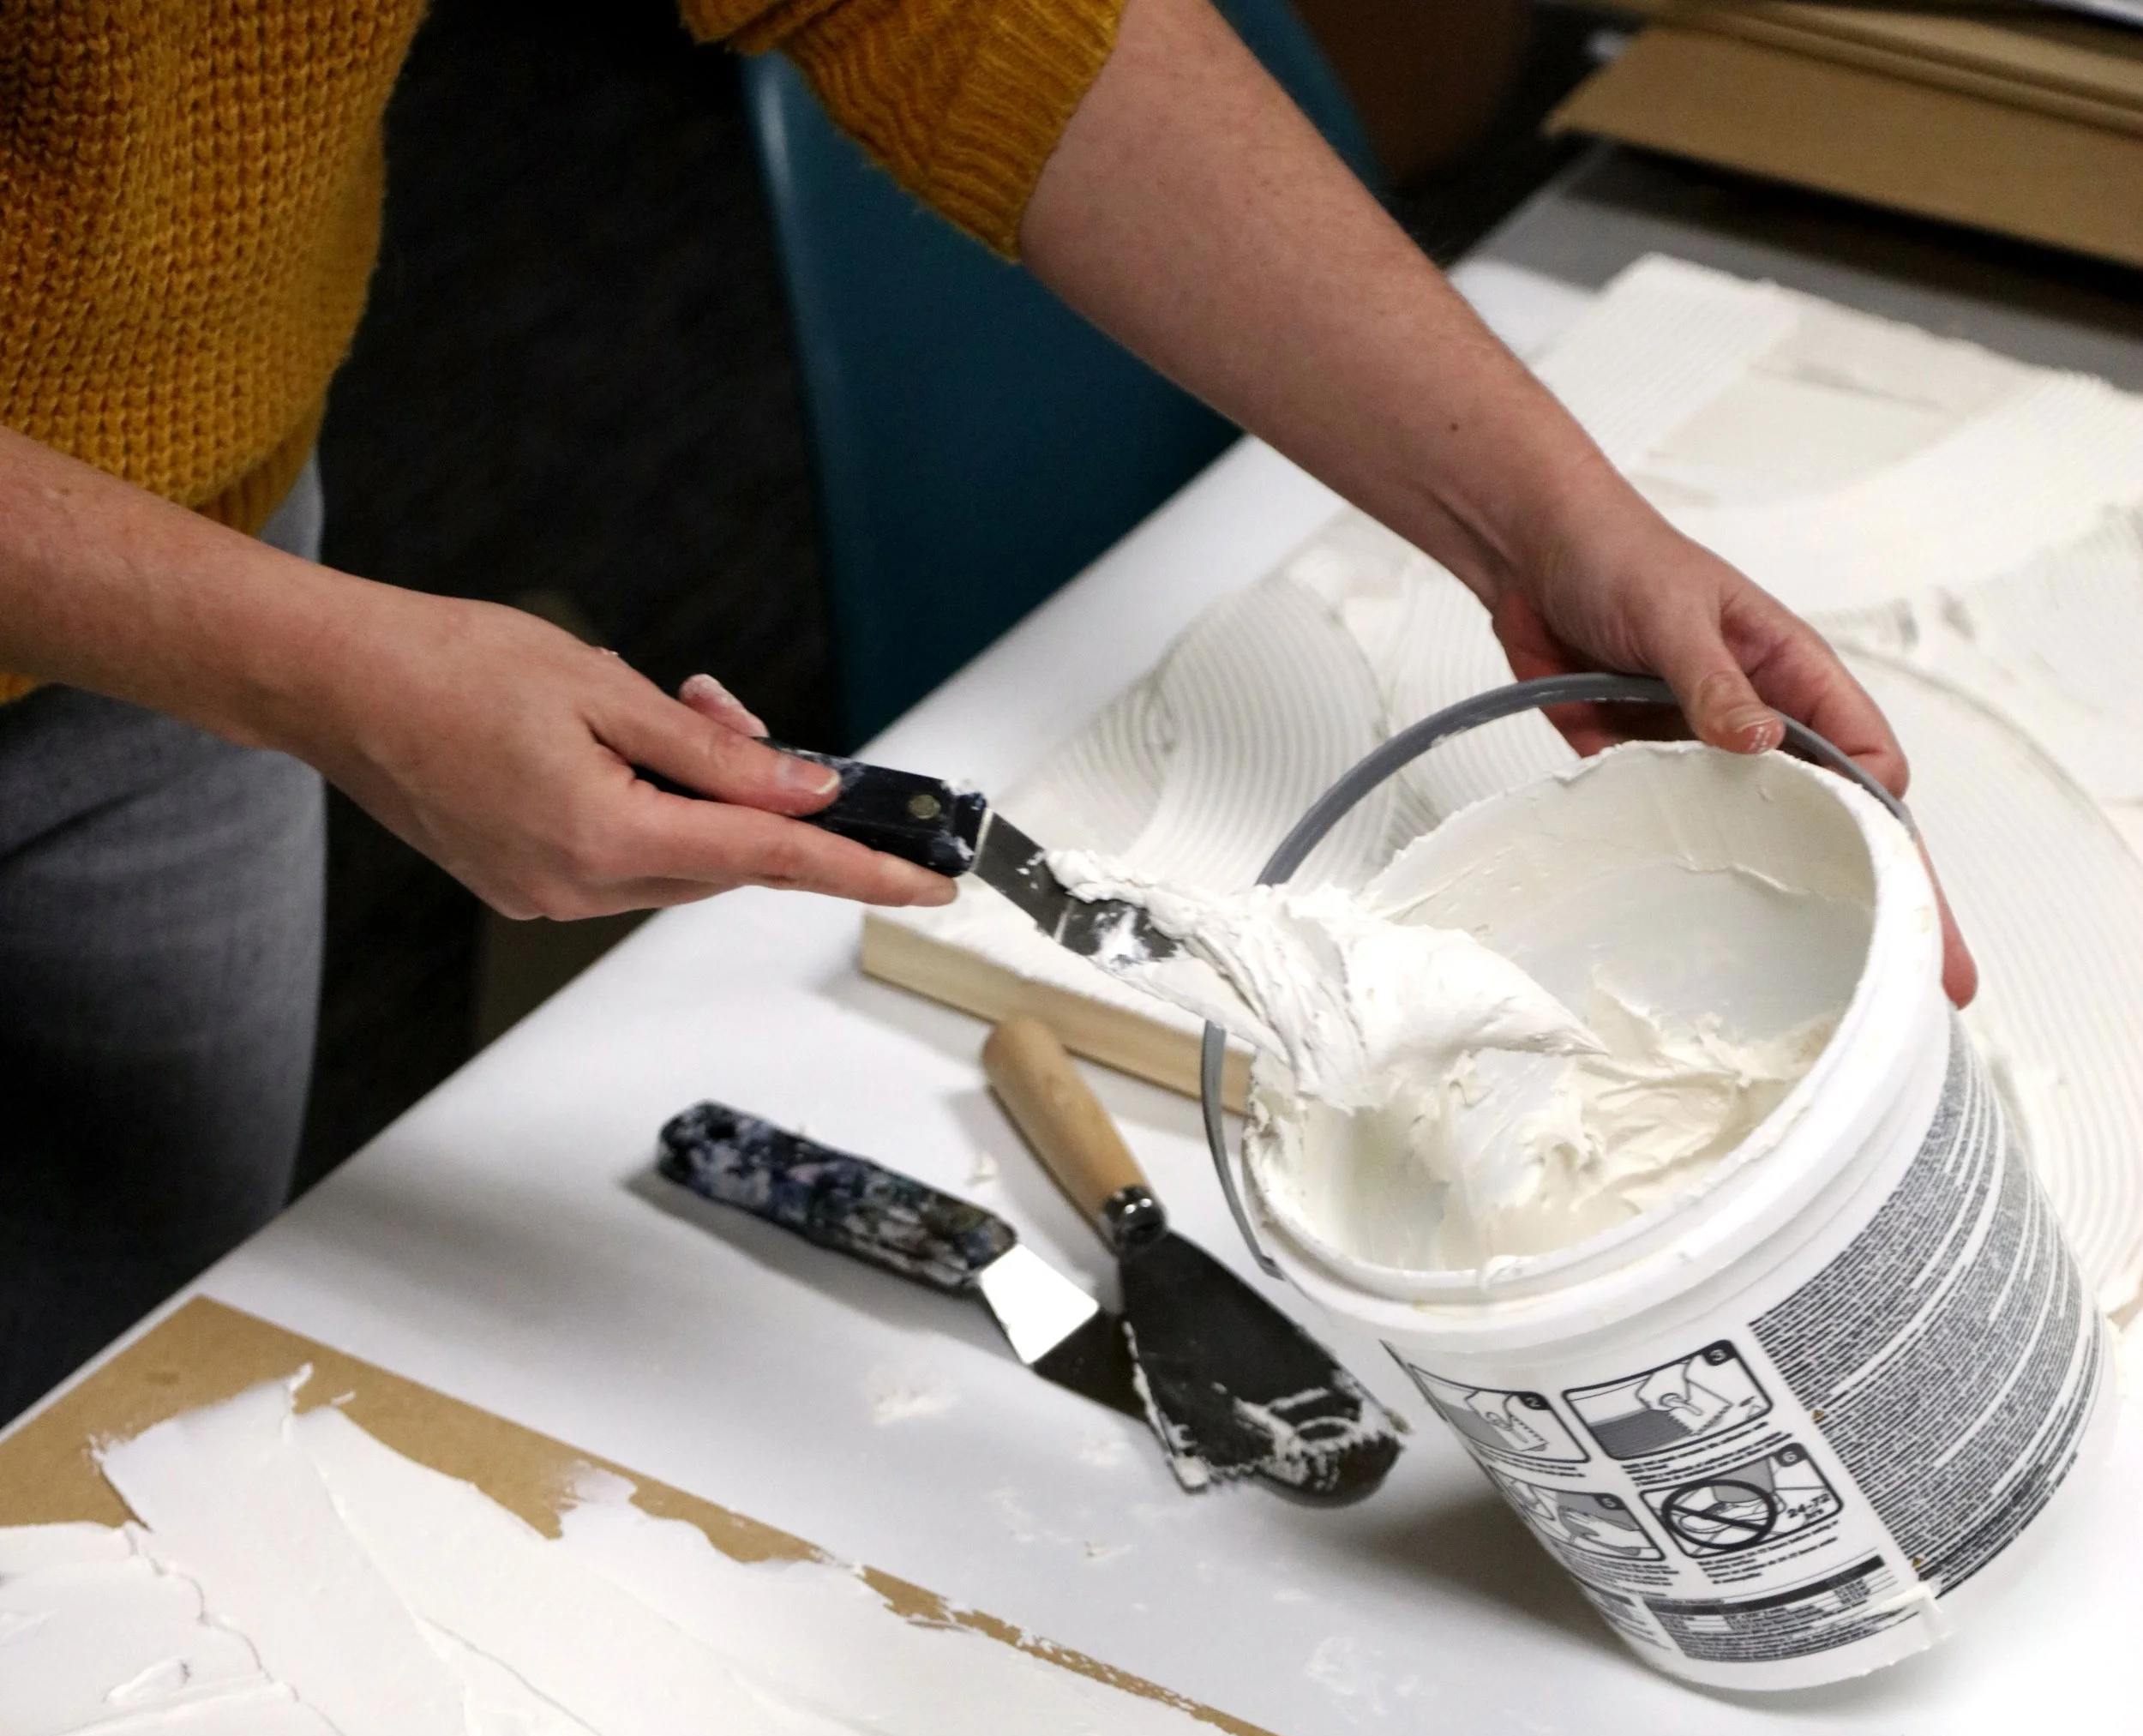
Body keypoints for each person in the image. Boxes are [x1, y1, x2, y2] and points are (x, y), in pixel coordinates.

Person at [0, 0, 1972, 1426]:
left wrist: (1545, 523)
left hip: (184, 553)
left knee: (101, 1418)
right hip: (211, 611)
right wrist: (308, 663)